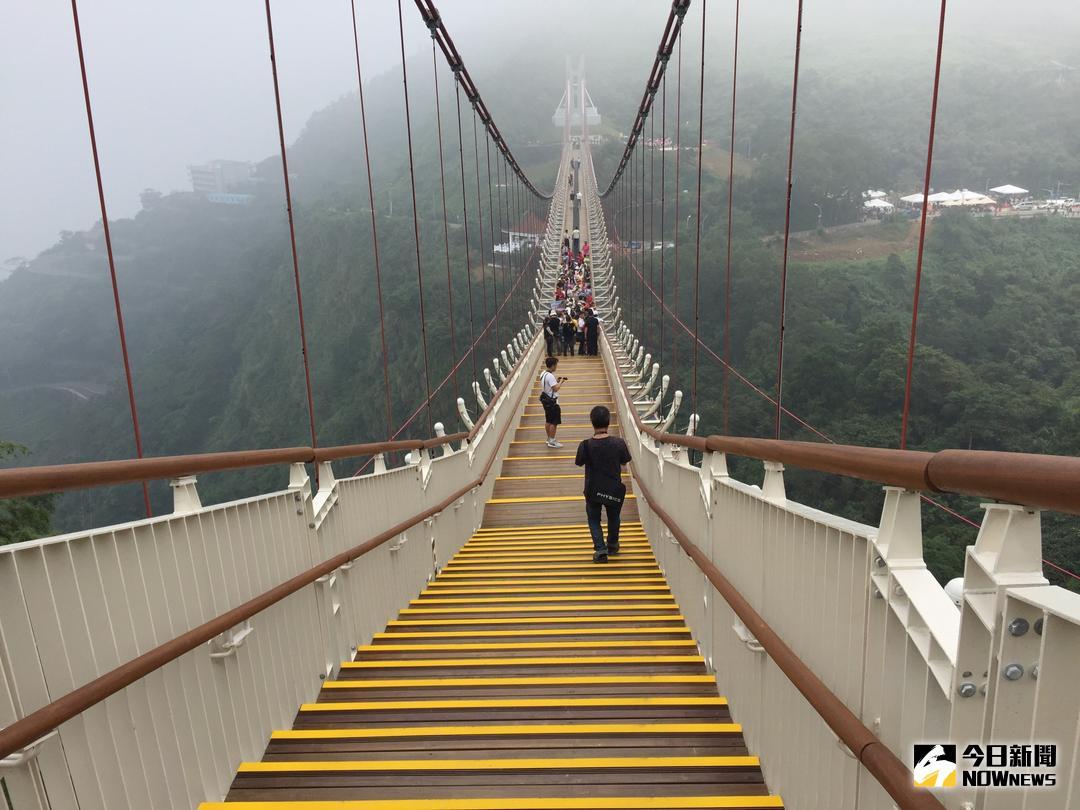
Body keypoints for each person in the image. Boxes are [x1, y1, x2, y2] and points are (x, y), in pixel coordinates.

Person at [575, 405, 632, 562]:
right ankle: (612, 544)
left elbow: (579, 462)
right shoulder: (618, 443)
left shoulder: (585, 445)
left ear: (592, 422)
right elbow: (625, 460)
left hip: (593, 490)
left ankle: (601, 550)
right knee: (614, 517)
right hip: (613, 488)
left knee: (594, 519)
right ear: (609, 421)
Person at [539, 357, 565, 448]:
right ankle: (552, 441)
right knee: (554, 421)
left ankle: (549, 438)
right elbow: (556, 388)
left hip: (546, 400)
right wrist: (561, 382)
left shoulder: (543, 373)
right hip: (552, 401)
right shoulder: (550, 376)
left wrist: (556, 381)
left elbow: (549, 385)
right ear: (553, 365)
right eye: (556, 365)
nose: (556, 367)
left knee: (548, 420)